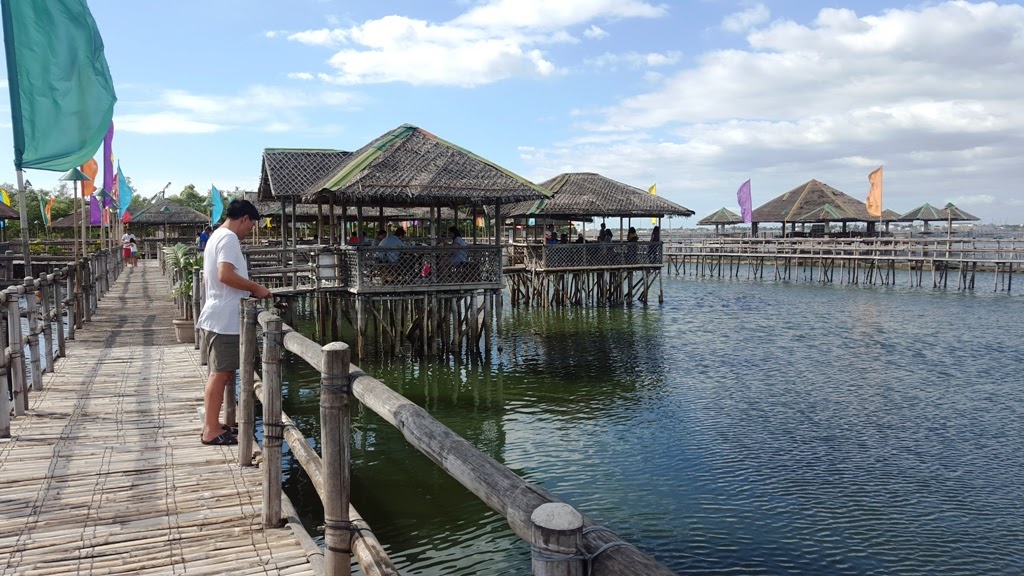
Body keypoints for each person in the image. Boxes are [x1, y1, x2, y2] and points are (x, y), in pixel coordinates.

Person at [197, 199, 272, 446]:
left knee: (220, 373)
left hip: (218, 314)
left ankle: (213, 424)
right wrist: (256, 288)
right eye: (251, 226)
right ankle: (210, 430)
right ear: (244, 219)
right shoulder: (228, 238)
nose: (249, 231)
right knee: (220, 374)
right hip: (224, 318)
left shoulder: (216, 236)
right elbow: (225, 275)